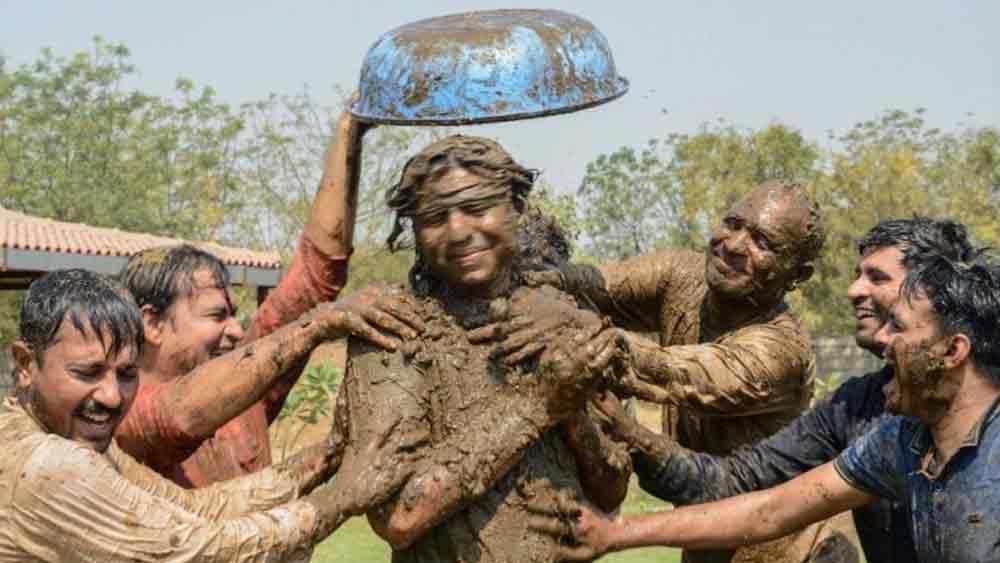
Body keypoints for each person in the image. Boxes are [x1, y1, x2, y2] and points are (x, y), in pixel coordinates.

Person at [532, 254, 1000, 563]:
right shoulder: (899, 443)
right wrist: (615, 534)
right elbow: (768, 511)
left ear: (952, 351)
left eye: (898, 327)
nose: (882, 338)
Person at [495, 179, 845, 563]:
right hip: (703, 539)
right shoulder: (682, 275)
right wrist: (532, 272)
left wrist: (574, 329)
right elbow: (592, 282)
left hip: (790, 553)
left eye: (763, 243)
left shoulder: (781, 350)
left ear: (799, 274)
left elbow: (676, 370)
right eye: (733, 223)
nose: (733, 245)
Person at [342, 134, 632, 562]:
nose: (458, 231)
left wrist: (572, 413)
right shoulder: (394, 332)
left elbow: (611, 492)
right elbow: (398, 517)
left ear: (515, 209)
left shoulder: (565, 321)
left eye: (477, 208)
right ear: (416, 231)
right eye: (435, 217)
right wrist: (538, 403)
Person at [2, 269, 416, 562]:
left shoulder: (69, 439)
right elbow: (204, 549)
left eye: (127, 374)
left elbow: (194, 508)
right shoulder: (48, 466)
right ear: (25, 363)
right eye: (87, 373)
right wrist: (342, 498)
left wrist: (331, 453)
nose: (112, 397)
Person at [115, 108, 420, 487]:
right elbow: (178, 418)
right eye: (215, 316)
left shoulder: (245, 393)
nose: (233, 329)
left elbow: (314, 278)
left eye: (233, 315)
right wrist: (319, 324)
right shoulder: (114, 414)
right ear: (153, 323)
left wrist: (350, 133)